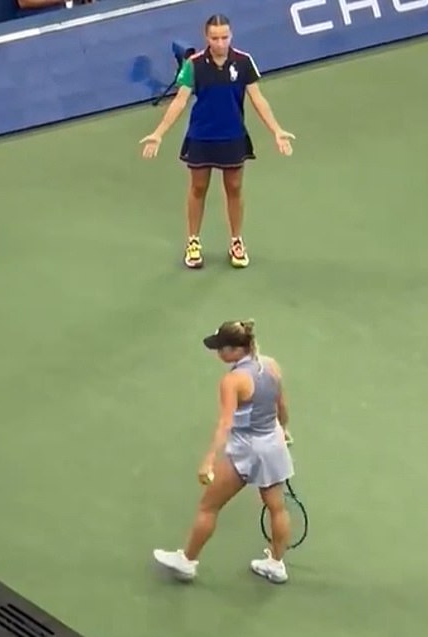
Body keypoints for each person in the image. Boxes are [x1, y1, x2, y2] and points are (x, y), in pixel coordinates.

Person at [139, 14, 296, 270]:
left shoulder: (244, 62)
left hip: (233, 136)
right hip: (201, 136)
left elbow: (258, 99)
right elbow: (180, 101)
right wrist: (159, 133)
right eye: (215, 38)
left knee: (234, 189)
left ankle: (236, 241)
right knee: (198, 189)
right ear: (206, 38)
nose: (220, 43)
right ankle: (193, 242)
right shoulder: (194, 65)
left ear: (231, 36)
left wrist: (276, 130)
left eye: (224, 37)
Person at [152, 320, 295, 583]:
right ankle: (276, 564)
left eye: (221, 348)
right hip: (272, 444)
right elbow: (281, 404)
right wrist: (283, 430)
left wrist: (208, 460)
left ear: (235, 349)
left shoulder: (232, 380)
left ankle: (187, 561)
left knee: (209, 506)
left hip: (247, 450)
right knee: (277, 507)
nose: (218, 354)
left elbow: (225, 423)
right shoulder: (272, 365)